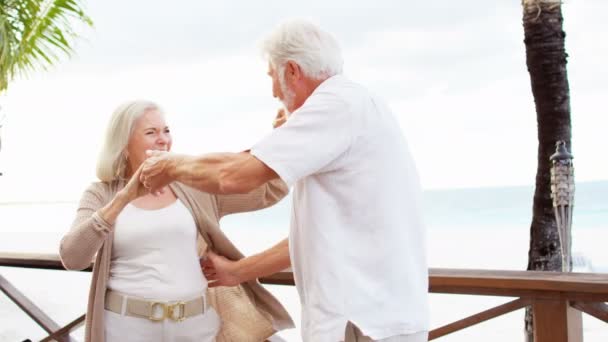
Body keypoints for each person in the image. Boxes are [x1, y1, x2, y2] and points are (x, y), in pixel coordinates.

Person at [141, 19, 430, 342]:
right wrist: (238, 272)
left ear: (292, 70)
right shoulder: (354, 105)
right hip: (373, 318)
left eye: (272, 77)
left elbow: (234, 175)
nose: (274, 92)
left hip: (365, 323)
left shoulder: (336, 105)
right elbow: (312, 236)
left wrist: (171, 166)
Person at [59, 100, 293, 342]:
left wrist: (286, 137)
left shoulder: (195, 187)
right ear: (124, 145)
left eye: (166, 131)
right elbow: (72, 257)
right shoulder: (101, 194)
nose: (163, 139)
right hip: (126, 329)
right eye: (151, 132)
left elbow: (269, 189)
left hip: (195, 328)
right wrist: (124, 197)